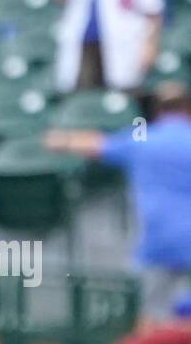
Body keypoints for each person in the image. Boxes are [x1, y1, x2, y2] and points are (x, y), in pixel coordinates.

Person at [45, 82, 191, 322]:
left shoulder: (144, 139)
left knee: (151, 320)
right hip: (182, 242)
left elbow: (93, 144)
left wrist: (58, 138)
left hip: (157, 242)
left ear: (156, 111)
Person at [51, 0, 164, 94]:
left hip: (124, 42)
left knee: (125, 92)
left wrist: (149, 45)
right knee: (83, 93)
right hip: (84, 43)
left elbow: (152, 8)